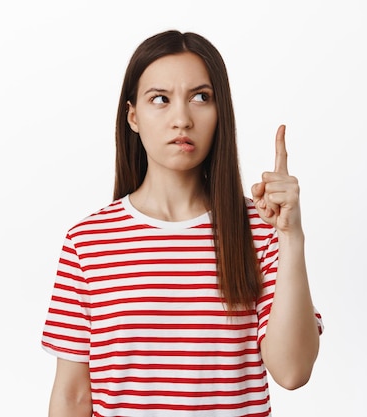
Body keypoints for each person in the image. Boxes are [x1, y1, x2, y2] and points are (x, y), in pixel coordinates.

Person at [41, 29, 323, 417]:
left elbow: (293, 372)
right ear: (133, 116)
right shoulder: (88, 242)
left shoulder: (260, 230)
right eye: (160, 99)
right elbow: (72, 396)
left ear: (220, 111)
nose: (182, 119)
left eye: (201, 97)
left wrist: (291, 238)